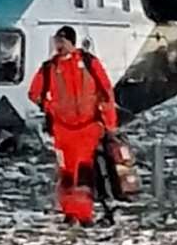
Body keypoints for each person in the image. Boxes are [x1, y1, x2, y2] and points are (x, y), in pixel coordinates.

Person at [28, 25, 118, 225]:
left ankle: (84, 214)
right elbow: (34, 93)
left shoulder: (88, 63)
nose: (58, 46)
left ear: (70, 42)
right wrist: (50, 107)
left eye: (61, 42)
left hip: (87, 128)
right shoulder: (49, 68)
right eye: (56, 42)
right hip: (62, 130)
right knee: (67, 173)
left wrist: (109, 125)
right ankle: (69, 212)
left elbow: (106, 92)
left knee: (83, 172)